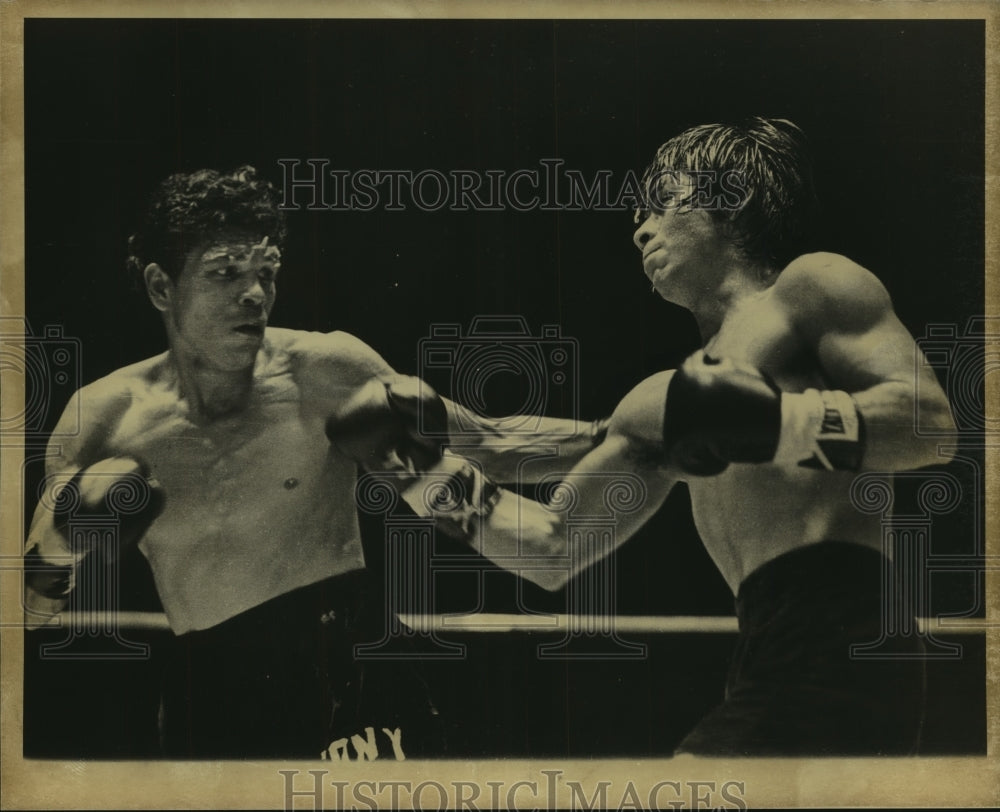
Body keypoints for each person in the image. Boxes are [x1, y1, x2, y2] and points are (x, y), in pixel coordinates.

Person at [330, 118, 958, 756]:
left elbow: (929, 426)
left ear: (731, 196)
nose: (640, 227)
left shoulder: (812, 286)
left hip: (848, 637)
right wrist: (418, 468)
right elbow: (550, 547)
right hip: (766, 657)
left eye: (663, 201)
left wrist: (777, 423)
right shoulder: (665, 401)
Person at [22, 166, 600, 759]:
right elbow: (28, 611)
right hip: (210, 690)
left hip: (347, 668)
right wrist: (59, 545)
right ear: (161, 287)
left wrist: (630, 439)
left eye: (266, 273)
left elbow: (491, 444)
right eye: (226, 273)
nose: (254, 294)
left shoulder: (325, 369)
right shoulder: (102, 418)